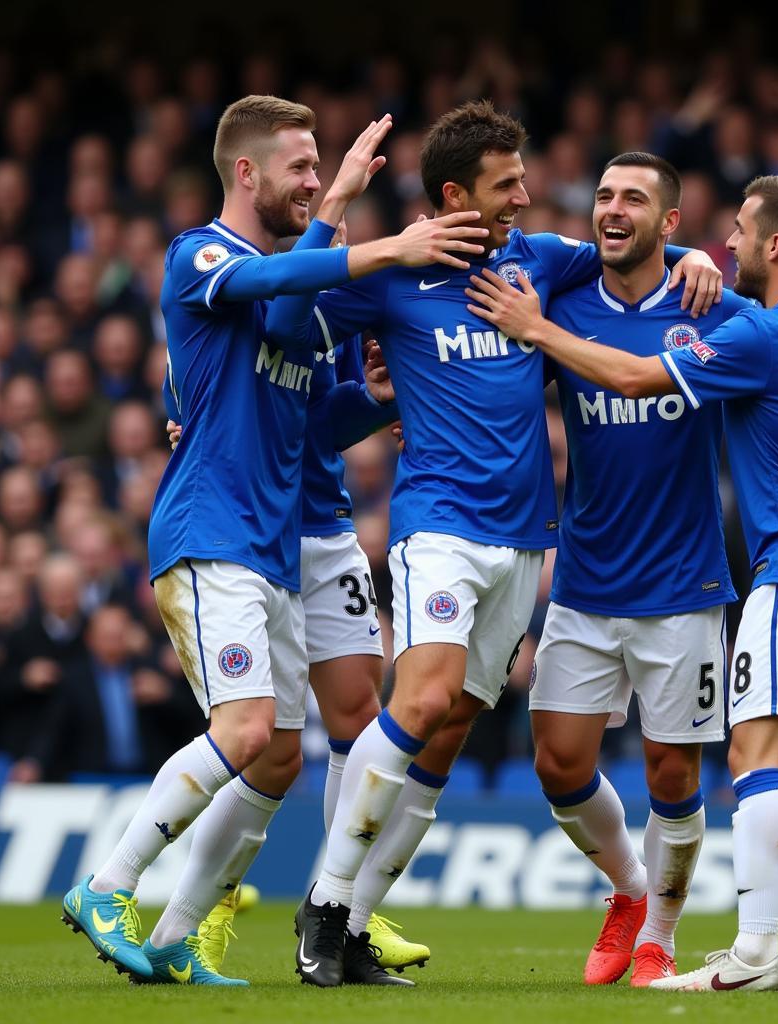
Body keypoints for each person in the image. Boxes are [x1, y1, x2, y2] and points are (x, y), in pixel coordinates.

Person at [466, 173, 778, 992]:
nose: (724, 244)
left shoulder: (759, 336)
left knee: (754, 753)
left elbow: (632, 378)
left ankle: (755, 954)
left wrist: (533, 328)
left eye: (737, 230)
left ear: (774, 244)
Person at [263, 99, 723, 987]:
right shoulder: (393, 273)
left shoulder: (543, 261)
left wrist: (696, 255)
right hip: (438, 522)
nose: (527, 194)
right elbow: (285, 323)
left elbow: (637, 259)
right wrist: (343, 220)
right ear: (453, 194)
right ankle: (322, 901)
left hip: (526, 542)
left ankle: (353, 927)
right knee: (424, 697)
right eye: (507, 183)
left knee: (448, 729)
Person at [60, 96, 487, 986]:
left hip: (271, 544)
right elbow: (261, 287)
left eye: (321, 167)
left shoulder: (304, 300)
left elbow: (302, 426)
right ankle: (107, 885)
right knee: (249, 728)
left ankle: (182, 929)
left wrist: (373, 399)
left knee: (281, 750)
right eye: (301, 167)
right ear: (246, 172)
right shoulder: (201, 254)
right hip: (210, 528)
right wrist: (375, 240)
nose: (316, 181)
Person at [527, 152, 750, 987]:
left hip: (683, 587)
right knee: (558, 764)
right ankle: (628, 886)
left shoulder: (715, 310)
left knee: (672, 771)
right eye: (605, 195)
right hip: (585, 582)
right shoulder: (563, 297)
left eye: (635, 200)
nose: (612, 209)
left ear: (670, 223)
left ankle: (658, 933)